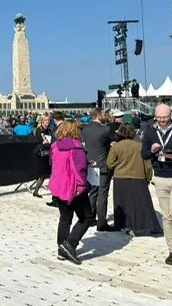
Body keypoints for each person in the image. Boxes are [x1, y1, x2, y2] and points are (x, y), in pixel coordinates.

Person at [142, 103, 172, 266]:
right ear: (155, 116)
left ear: (171, 115)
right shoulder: (150, 132)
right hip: (160, 177)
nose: (162, 120)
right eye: (159, 117)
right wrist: (153, 151)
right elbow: (144, 154)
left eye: (165, 117)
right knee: (167, 216)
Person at [48, 119, 94, 265]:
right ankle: (70, 244)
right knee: (86, 217)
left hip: (58, 186)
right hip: (73, 188)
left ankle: (61, 248)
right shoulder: (76, 147)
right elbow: (78, 169)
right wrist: (82, 186)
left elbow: (52, 163)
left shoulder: (55, 146)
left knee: (65, 218)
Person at [107, 124, 161, 237]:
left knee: (122, 203)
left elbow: (109, 164)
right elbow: (147, 164)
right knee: (140, 203)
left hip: (120, 177)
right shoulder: (140, 146)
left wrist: (119, 164)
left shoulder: (116, 147)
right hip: (138, 177)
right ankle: (143, 226)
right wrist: (148, 177)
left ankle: (122, 224)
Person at [81, 107, 115, 231]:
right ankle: (102, 222)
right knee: (102, 194)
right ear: (100, 114)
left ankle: (89, 219)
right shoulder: (105, 129)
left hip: (90, 163)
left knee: (93, 192)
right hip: (102, 164)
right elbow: (111, 140)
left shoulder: (85, 128)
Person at [32, 114, 52, 198]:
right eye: (46, 120)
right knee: (43, 174)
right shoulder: (39, 130)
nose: (47, 122)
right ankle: (36, 191)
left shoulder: (50, 130)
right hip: (41, 154)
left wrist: (48, 144)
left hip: (49, 153)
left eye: (48, 120)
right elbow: (41, 142)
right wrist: (49, 144)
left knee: (48, 174)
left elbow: (49, 143)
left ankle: (53, 192)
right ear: (42, 121)